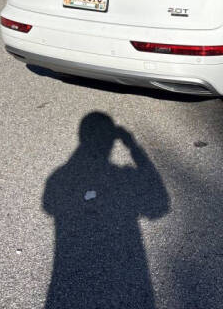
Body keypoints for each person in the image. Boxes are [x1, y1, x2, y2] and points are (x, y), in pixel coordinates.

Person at [42, 112, 169, 308]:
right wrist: (134, 148)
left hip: (70, 275)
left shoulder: (59, 176)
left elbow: (49, 205)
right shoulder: (124, 177)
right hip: (125, 277)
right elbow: (159, 207)